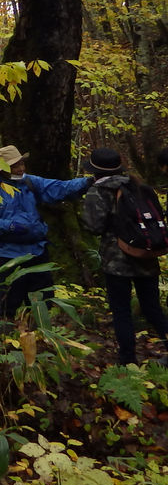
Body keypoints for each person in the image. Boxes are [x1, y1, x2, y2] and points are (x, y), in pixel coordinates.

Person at [0, 144, 91, 321]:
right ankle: (5, 341)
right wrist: (9, 226)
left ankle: (38, 336)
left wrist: (88, 181)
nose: (21, 168)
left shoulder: (30, 182)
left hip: (37, 252)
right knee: (7, 304)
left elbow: (59, 188)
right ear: (1, 168)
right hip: (8, 257)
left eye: (21, 164)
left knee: (43, 301)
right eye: (15, 166)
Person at [80, 147, 168, 366]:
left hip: (116, 260)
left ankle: (128, 360)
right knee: (152, 308)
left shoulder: (98, 191)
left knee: (121, 310)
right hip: (147, 255)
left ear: (95, 171)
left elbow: (93, 227)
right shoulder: (139, 185)